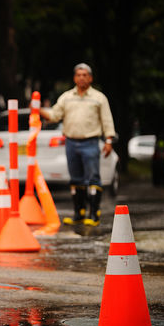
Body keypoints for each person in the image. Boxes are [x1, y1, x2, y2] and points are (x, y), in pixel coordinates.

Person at [40, 63, 116, 226]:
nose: (81, 78)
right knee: (75, 178)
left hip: (90, 142)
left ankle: (94, 213)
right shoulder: (67, 97)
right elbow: (55, 114)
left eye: (85, 75)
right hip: (71, 142)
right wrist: (40, 110)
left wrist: (109, 140)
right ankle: (78, 213)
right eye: (78, 75)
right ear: (74, 78)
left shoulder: (98, 98)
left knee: (93, 177)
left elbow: (107, 120)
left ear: (90, 78)